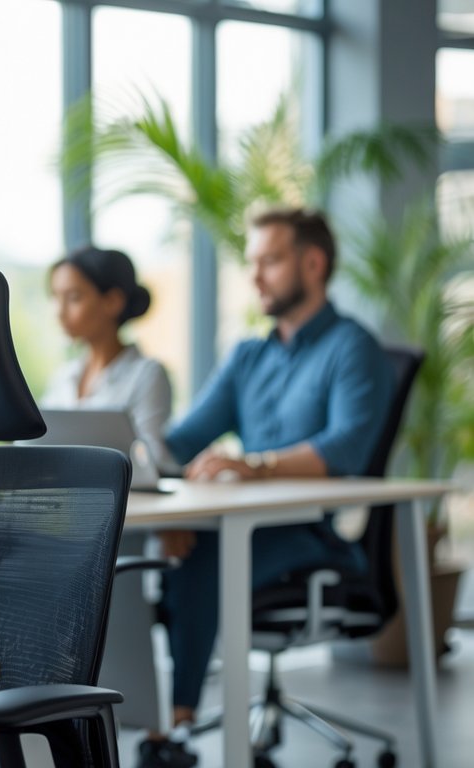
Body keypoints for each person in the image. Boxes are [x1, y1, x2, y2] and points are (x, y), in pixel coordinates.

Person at [139, 208, 395, 768]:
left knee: (202, 555)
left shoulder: (353, 347)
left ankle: (177, 727)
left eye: (270, 261)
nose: (256, 277)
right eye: (252, 263)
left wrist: (256, 464)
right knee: (159, 551)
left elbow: (346, 448)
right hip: (239, 526)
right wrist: (131, 448)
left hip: (313, 538)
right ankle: (138, 712)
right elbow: (182, 442)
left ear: (313, 262)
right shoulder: (249, 356)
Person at [42, 245, 173, 461]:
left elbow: (152, 458)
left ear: (112, 301)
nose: (59, 312)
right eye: (56, 297)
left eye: (73, 298)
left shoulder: (147, 375)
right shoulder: (64, 377)